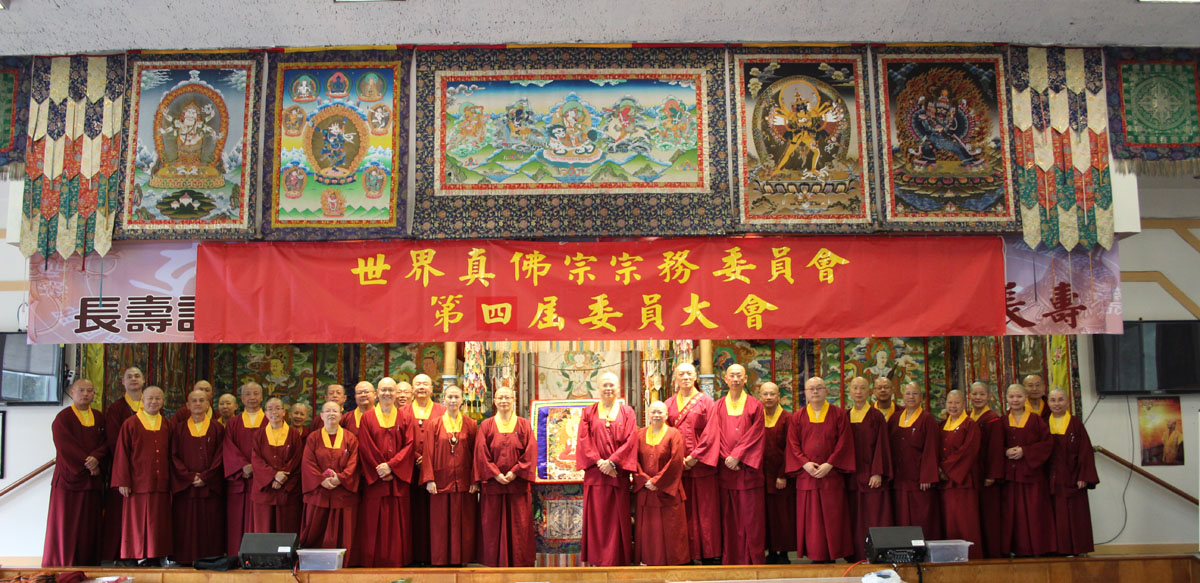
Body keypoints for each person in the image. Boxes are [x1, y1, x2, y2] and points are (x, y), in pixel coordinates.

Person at [698, 363, 765, 565]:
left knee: (751, 517)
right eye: (732, 376)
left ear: (745, 379)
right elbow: (713, 435)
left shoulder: (755, 405)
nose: (735, 379)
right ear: (725, 380)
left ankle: (753, 558)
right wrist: (727, 457)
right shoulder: (717, 406)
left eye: (739, 376)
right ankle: (730, 557)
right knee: (728, 517)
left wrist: (737, 456)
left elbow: (756, 435)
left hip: (747, 470)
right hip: (726, 469)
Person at [786, 377, 855, 563]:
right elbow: (792, 444)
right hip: (807, 476)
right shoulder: (798, 416)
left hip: (831, 475)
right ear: (805, 393)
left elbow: (844, 442)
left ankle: (833, 554)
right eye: (811, 389)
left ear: (826, 391)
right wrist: (805, 463)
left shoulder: (838, 414)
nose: (815, 392)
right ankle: (815, 555)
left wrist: (830, 464)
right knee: (811, 520)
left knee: (833, 517)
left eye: (819, 388)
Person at [43, 379, 107, 567]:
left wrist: (97, 458)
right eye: (81, 390)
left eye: (90, 390)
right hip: (69, 480)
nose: (86, 394)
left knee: (89, 525)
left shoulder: (99, 417)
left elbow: (107, 442)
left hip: (92, 481)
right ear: (72, 393)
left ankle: (88, 564)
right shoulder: (63, 418)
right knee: (66, 524)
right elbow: (65, 446)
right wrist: (89, 463)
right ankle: (64, 564)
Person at [577, 371, 637, 566]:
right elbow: (583, 439)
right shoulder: (589, 412)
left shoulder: (627, 412)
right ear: (598, 388)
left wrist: (612, 462)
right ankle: (597, 560)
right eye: (605, 385)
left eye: (612, 385)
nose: (608, 388)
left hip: (617, 474)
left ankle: (617, 560)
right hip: (596, 475)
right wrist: (599, 462)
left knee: (616, 519)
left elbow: (631, 440)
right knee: (598, 519)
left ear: (618, 387)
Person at [355, 377, 415, 567]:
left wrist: (392, 466)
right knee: (373, 521)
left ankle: (398, 560)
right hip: (376, 479)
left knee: (399, 521)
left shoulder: (405, 417)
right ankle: (373, 561)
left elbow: (410, 445)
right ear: (377, 393)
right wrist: (380, 468)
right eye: (383, 390)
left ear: (396, 393)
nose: (387, 393)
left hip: (397, 479)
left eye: (391, 390)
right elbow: (365, 447)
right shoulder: (368, 417)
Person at [474, 387, 537, 567]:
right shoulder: (486, 425)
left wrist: (515, 472)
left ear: (514, 400)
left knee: (519, 525)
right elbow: (481, 452)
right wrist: (495, 474)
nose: (504, 401)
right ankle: (493, 562)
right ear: (494, 401)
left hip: (517, 485)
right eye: (500, 398)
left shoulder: (524, 424)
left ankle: (519, 561)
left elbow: (531, 451)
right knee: (492, 525)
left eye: (507, 397)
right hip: (493, 485)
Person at [666, 362, 720, 564]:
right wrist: (677, 458)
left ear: (696, 376)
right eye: (681, 374)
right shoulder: (669, 403)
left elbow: (711, 433)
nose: (686, 377)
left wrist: (695, 457)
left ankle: (709, 554)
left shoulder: (706, 402)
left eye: (689, 373)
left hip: (702, 465)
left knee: (706, 511)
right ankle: (685, 555)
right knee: (683, 513)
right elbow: (665, 434)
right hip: (678, 467)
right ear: (676, 378)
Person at [111, 386, 173, 564]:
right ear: (142, 401)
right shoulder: (131, 423)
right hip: (137, 482)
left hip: (160, 482)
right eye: (150, 398)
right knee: (136, 522)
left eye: (158, 398)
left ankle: (154, 556)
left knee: (157, 522)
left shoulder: (167, 424)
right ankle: (133, 556)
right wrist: (123, 481)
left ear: (163, 401)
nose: (154, 402)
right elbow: (122, 453)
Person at [421, 385, 479, 567]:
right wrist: (429, 479)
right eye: (450, 397)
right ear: (443, 400)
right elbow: (427, 453)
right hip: (440, 480)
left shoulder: (471, 424)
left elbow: (476, 454)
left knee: (464, 522)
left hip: (463, 481)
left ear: (462, 400)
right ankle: (440, 559)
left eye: (456, 397)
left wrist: (475, 480)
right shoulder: (434, 424)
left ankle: (462, 558)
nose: (453, 400)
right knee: (440, 522)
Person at [170, 388, 226, 565]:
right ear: (187, 405)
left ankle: (212, 557)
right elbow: (173, 456)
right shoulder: (179, 429)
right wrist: (189, 477)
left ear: (208, 404)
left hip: (210, 486)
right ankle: (185, 558)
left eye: (202, 400)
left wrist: (206, 477)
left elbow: (221, 455)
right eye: (194, 401)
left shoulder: (217, 428)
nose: (198, 404)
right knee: (185, 522)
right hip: (186, 487)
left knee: (210, 523)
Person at [1000, 383, 1056, 556]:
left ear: (1025, 398)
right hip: (1010, 476)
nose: (1015, 400)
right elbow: (994, 446)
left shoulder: (1035, 420)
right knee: (1012, 514)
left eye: (1019, 396)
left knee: (1034, 513)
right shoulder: (1002, 421)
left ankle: (1037, 548)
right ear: (1006, 399)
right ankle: (1014, 549)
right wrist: (1005, 451)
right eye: (1011, 397)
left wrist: (1026, 451)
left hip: (1032, 475)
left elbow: (1047, 443)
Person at [633, 400, 690, 566]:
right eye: (653, 412)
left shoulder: (674, 434)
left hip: (667, 491)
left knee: (671, 529)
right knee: (649, 530)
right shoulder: (640, 434)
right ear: (648, 414)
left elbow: (676, 461)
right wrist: (644, 479)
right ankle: (647, 561)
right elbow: (633, 459)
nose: (656, 415)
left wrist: (657, 481)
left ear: (666, 415)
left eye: (660, 412)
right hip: (646, 490)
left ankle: (673, 564)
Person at [300, 401, 360, 553]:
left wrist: (341, 478)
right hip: (319, 492)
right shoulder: (313, 437)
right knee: (315, 530)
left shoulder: (350, 438)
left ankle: (342, 562)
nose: (331, 414)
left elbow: (354, 463)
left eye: (335, 411)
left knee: (342, 533)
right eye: (327, 411)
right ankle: (313, 561)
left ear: (341, 415)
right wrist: (321, 480)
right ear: (321, 415)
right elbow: (308, 462)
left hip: (342, 491)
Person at [1046, 388, 1099, 555]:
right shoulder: (1043, 423)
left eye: (1060, 399)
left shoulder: (1076, 424)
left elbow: (1085, 451)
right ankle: (1055, 550)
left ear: (1068, 402)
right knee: (1052, 514)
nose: (1057, 403)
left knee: (1075, 515)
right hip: (1049, 477)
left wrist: (1083, 475)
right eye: (1053, 400)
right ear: (1048, 403)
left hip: (1072, 476)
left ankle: (1078, 549)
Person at [846, 376, 893, 561]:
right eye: (855, 388)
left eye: (862, 388)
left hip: (871, 475)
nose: (858, 392)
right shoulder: (845, 416)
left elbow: (882, 445)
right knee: (854, 517)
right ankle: (854, 554)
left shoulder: (876, 416)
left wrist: (877, 472)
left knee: (874, 515)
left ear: (869, 392)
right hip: (851, 476)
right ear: (850, 391)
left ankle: (876, 553)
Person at [102, 366, 146, 562]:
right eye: (129, 376)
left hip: (147, 471)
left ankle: (143, 552)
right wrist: (130, 466)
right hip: (124, 468)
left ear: (143, 380)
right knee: (120, 513)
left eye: (137, 376)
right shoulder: (116, 409)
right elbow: (114, 442)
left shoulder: (151, 404)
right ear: (123, 382)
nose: (134, 379)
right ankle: (121, 554)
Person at [890, 382, 941, 539]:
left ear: (921, 397)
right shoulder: (895, 418)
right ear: (902, 397)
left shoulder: (927, 419)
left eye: (915, 393)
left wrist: (927, 476)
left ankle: (923, 547)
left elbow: (931, 448)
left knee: (922, 517)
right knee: (901, 516)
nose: (911, 397)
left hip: (919, 479)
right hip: (900, 478)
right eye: (908, 393)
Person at [938, 390, 982, 559]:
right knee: (949, 521)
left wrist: (946, 469)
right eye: (950, 403)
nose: (953, 406)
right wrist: (938, 469)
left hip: (962, 480)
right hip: (945, 482)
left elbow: (968, 451)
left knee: (965, 521)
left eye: (957, 403)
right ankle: (951, 557)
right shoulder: (942, 425)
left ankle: (971, 557)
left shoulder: (970, 425)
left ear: (964, 404)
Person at [222, 381, 264, 555]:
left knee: (260, 520)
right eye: (247, 394)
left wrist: (256, 467)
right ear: (241, 398)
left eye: (256, 393)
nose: (252, 397)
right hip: (240, 479)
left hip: (261, 480)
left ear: (262, 397)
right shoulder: (233, 423)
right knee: (236, 520)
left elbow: (274, 451)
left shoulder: (269, 421)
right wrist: (242, 466)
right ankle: (236, 555)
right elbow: (228, 448)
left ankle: (259, 556)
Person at [408, 373, 446, 566]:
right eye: (418, 384)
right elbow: (401, 441)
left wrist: (429, 459)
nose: (421, 387)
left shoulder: (442, 410)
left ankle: (437, 555)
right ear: (412, 388)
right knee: (414, 513)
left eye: (425, 384)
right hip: (409, 470)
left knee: (436, 514)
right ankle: (414, 555)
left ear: (432, 388)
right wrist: (417, 457)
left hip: (436, 471)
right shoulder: (403, 411)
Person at [250, 398, 303, 534]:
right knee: (264, 529)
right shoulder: (259, 435)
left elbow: (296, 460)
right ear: (265, 413)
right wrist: (273, 475)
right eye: (270, 409)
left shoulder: (294, 434)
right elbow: (256, 460)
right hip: (265, 490)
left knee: (286, 529)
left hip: (286, 489)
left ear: (284, 412)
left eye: (278, 408)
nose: (274, 412)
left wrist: (281, 478)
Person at [968, 381, 1006, 558]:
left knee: (989, 516)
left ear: (989, 396)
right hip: (971, 473)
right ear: (969, 395)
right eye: (975, 394)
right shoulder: (967, 416)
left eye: (982, 394)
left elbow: (996, 449)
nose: (978, 397)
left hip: (986, 474)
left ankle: (992, 553)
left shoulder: (992, 419)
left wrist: (992, 474)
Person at [759, 382, 795, 564]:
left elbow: (791, 448)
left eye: (772, 394)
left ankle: (784, 553)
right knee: (766, 515)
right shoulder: (758, 417)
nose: (768, 397)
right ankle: (771, 551)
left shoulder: (787, 418)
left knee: (783, 515)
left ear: (779, 397)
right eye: (765, 394)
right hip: (762, 476)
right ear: (760, 397)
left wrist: (783, 475)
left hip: (781, 477)